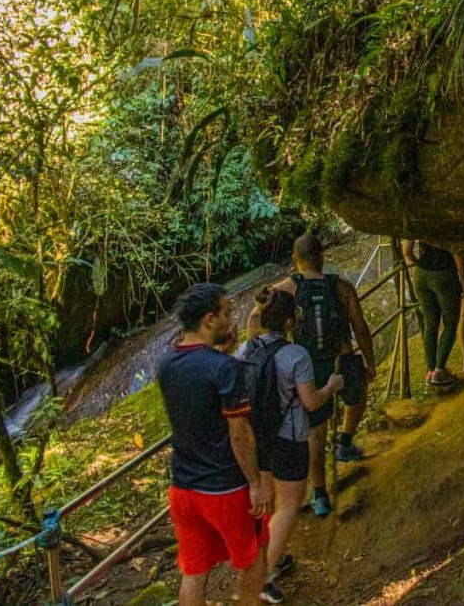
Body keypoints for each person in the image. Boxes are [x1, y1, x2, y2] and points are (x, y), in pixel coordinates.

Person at [157, 283, 271, 606]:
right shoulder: (224, 369)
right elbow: (239, 433)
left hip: (183, 488)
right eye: (226, 313)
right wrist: (255, 483)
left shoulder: (167, 364)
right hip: (225, 489)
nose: (231, 319)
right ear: (209, 319)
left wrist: (221, 355)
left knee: (193, 571)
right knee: (252, 556)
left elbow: (198, 393)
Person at [249, 234, 375, 517]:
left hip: (307, 365)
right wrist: (370, 362)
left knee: (315, 435)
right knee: (357, 396)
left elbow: (256, 316)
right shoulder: (342, 287)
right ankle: (344, 440)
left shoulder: (286, 288)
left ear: (296, 260)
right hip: (342, 360)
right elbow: (360, 327)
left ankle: (319, 494)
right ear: (322, 257)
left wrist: (258, 350)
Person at [236, 288, 344, 603]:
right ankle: (263, 576)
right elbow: (310, 403)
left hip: (258, 437)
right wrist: (330, 387)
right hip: (289, 438)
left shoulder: (245, 349)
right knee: (288, 506)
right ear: (290, 320)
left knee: (268, 504)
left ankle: (269, 556)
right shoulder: (296, 355)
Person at [402, 239, 462, 386]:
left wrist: (419, 264)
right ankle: (439, 370)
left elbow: (407, 251)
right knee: (450, 323)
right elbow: (457, 251)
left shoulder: (419, 219)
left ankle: (430, 370)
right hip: (444, 273)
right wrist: (462, 278)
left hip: (421, 274)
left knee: (430, 323)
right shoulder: (446, 220)